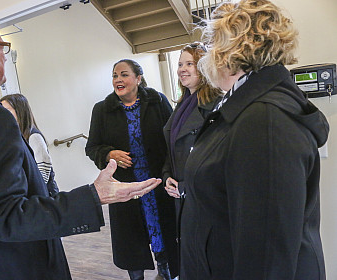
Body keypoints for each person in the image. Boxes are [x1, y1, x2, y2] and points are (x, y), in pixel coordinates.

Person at [0, 11, 161, 280]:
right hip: (5, 268)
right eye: (2, 46)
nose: (3, 55)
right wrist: (94, 195)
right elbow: (8, 216)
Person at [179, 0, 329, 279]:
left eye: (211, 47)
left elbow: (266, 256)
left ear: (228, 51)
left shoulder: (264, 120)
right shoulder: (246, 105)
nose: (206, 57)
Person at [85, 59, 178, 280]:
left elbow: (173, 137)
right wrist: (108, 154)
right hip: (125, 190)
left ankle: (165, 270)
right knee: (132, 240)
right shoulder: (102, 110)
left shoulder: (157, 101)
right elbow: (92, 147)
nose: (118, 80)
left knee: (163, 232)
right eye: (115, 76)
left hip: (157, 184)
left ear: (138, 78)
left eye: (123, 74)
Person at [163, 42, 222, 219]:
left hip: (203, 195)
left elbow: (216, 159)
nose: (182, 69)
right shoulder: (181, 105)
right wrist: (167, 176)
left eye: (190, 64)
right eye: (180, 64)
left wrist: (187, 186)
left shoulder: (216, 105)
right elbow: (172, 147)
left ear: (204, 67)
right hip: (179, 192)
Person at [0, 93, 59, 195]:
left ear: (19, 111)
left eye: (7, 110)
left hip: (44, 196)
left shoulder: (34, 137)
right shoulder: (17, 136)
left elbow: (43, 176)